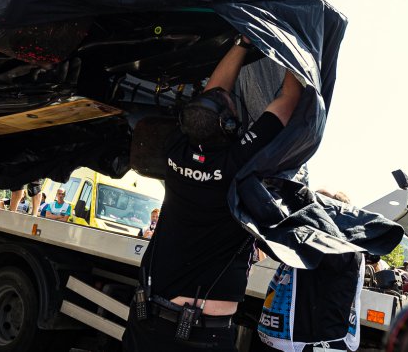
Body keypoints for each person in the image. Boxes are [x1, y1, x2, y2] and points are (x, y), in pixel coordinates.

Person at [123, 34, 302, 352]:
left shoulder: (176, 150)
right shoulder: (237, 164)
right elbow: (287, 100)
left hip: (148, 321)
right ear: (230, 127)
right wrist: (299, 51)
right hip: (202, 335)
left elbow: (211, 97)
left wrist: (242, 43)